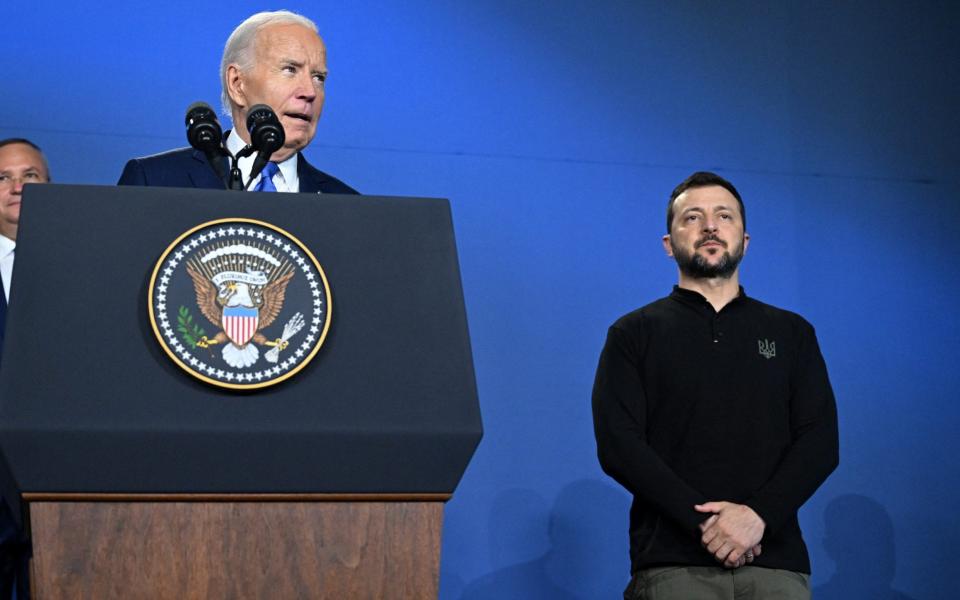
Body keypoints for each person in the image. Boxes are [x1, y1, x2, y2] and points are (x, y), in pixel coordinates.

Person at [592, 171, 838, 600]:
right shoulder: (633, 333)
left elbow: (819, 442)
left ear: (745, 240)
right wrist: (705, 523)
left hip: (775, 565)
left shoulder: (791, 332)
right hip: (673, 565)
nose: (709, 226)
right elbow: (619, 445)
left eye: (724, 216)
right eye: (692, 217)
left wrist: (758, 516)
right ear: (668, 245)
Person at [118, 10, 357, 194]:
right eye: (290, 69)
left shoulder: (347, 205)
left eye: (319, 77)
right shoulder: (153, 181)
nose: (310, 91)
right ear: (237, 83)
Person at [0, 137, 49, 599]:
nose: (17, 187)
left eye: (30, 176)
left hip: (55, 487)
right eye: (3, 178)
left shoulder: (79, 271)